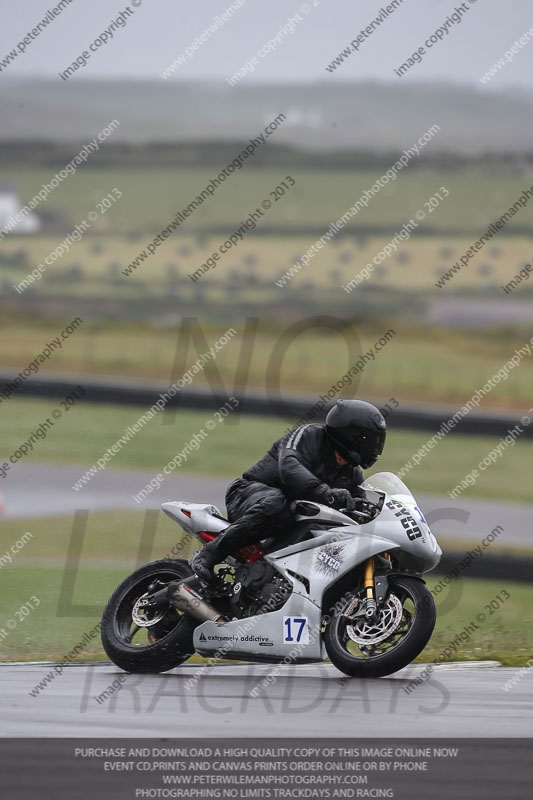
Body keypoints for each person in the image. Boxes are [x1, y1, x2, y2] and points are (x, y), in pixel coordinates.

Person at [189, 399, 387, 583]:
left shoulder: (351, 474)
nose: (374, 447)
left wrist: (374, 514)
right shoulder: (309, 436)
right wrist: (325, 492)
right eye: (370, 440)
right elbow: (289, 467)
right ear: (351, 434)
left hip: (290, 519)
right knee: (279, 503)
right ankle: (210, 553)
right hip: (248, 494)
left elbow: (359, 504)